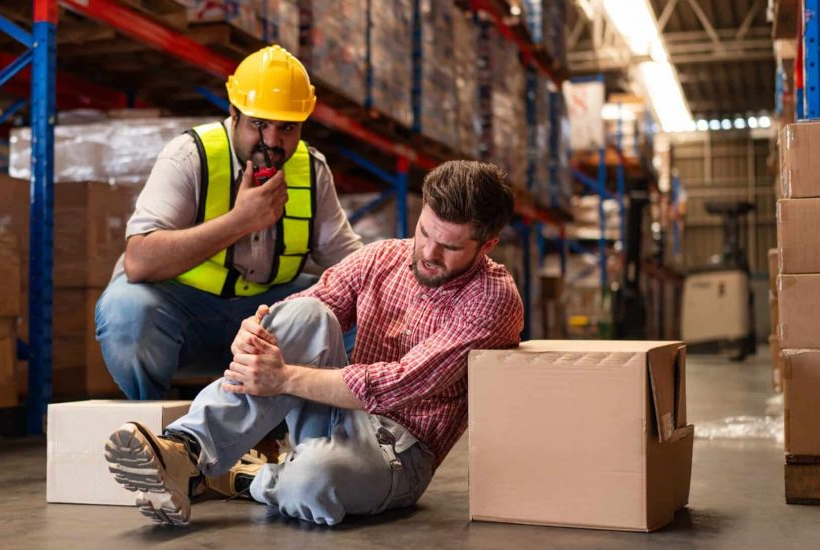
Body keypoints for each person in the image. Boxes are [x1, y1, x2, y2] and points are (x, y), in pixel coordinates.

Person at [103, 160, 525, 527]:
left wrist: (283, 378)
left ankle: (241, 479)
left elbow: (398, 385)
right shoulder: (383, 257)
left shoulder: (493, 298)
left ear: (486, 244)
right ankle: (185, 450)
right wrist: (255, 328)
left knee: (312, 484)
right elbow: (305, 306)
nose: (428, 252)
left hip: (401, 453)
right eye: (425, 232)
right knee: (308, 314)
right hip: (338, 412)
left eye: (449, 246)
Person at [95, 45, 362, 400]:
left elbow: (351, 263)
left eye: (286, 128)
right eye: (258, 124)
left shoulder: (311, 170)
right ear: (233, 114)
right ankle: (155, 426)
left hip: (264, 321)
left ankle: (287, 428)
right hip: (185, 316)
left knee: (359, 312)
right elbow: (139, 261)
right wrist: (239, 221)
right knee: (126, 309)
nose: (271, 142)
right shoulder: (190, 156)